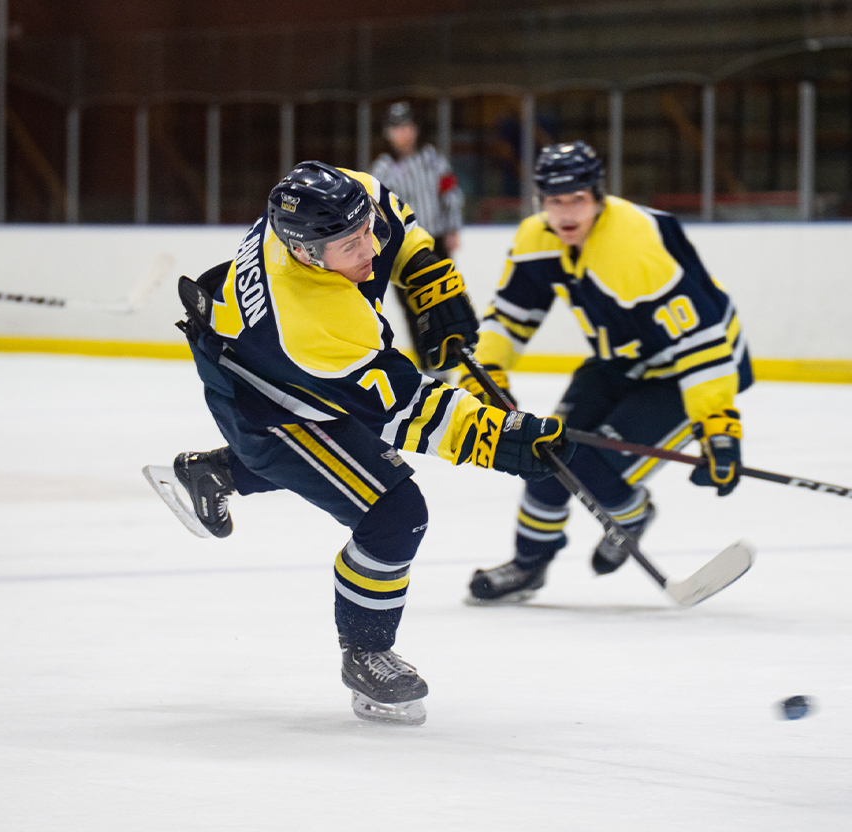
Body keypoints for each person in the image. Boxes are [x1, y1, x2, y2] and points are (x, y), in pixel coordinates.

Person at [147, 161, 571, 725]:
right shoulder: (312, 322)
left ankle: (215, 474)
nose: (370, 248)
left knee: (343, 452)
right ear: (305, 252)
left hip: (256, 345)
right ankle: (366, 653)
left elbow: (387, 208)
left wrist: (428, 276)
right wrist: (501, 439)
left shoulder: (326, 203)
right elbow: (407, 409)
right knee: (393, 512)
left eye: (364, 229)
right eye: (351, 245)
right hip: (264, 399)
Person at [459, 141, 753, 604]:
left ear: (597, 196)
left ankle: (628, 515)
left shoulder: (633, 246)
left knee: (592, 468)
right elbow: (510, 316)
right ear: (540, 202)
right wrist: (487, 369)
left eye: (577, 198)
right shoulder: (538, 239)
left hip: (689, 369)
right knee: (545, 451)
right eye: (555, 202)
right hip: (619, 359)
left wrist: (716, 423)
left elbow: (699, 340)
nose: (566, 213)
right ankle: (528, 566)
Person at [370, 102, 464, 372]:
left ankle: (449, 357)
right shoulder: (382, 168)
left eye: (407, 126)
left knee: (443, 301)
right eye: (396, 128)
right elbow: (378, 209)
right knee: (413, 308)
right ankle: (428, 363)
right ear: (388, 133)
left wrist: (452, 227)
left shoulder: (432, 158)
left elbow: (449, 192)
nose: (403, 134)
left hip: (434, 240)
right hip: (401, 250)